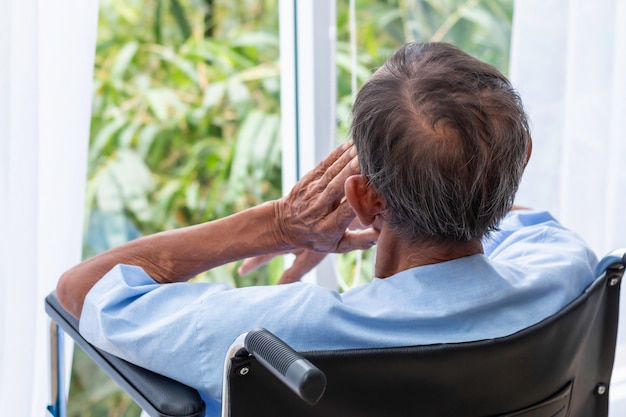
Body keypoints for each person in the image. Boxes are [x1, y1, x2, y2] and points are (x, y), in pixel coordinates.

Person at [57, 42, 597, 415]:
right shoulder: (564, 275)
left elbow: (80, 291)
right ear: (523, 160)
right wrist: (464, 182)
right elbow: (521, 220)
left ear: (360, 197)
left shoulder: (274, 340)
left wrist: (279, 225)